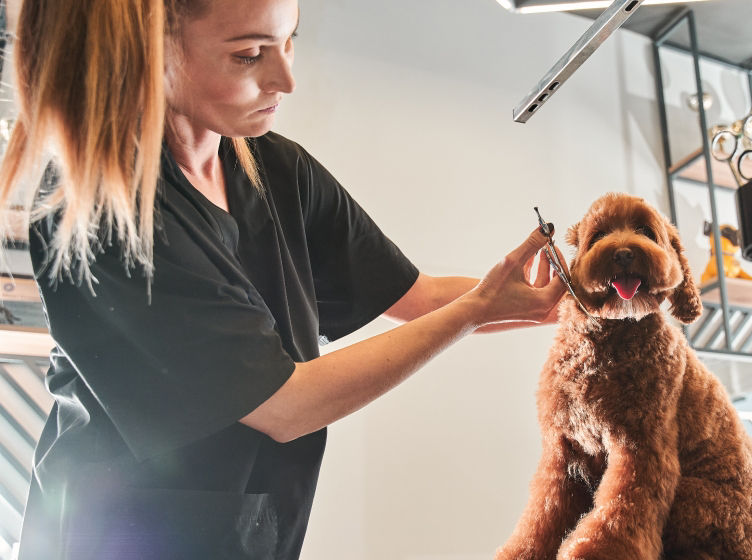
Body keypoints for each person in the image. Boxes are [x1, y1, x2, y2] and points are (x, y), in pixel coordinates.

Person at [0, 1, 566, 558]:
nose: (286, 79)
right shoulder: (104, 214)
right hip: (117, 538)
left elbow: (417, 296)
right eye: (249, 55)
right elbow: (285, 407)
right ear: (150, 53)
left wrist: (557, 300)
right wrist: (476, 310)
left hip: (243, 529)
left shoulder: (276, 171)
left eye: (289, 40)